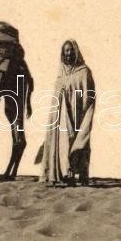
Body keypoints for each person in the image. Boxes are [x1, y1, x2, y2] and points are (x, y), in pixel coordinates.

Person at [39, 40, 96, 187]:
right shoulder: (61, 70)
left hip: (77, 115)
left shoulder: (84, 71)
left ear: (76, 52)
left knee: (77, 144)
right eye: (66, 51)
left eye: (71, 50)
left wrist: (82, 113)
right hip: (59, 117)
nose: (68, 53)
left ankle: (80, 176)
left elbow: (88, 97)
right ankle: (61, 174)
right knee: (61, 143)